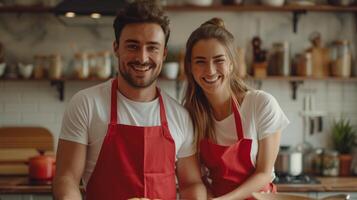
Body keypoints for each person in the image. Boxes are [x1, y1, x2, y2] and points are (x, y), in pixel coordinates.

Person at [53, 1, 206, 199]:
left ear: (164, 54)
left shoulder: (180, 116)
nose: (142, 57)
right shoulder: (86, 104)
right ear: (116, 48)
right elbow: (66, 179)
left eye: (152, 48)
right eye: (133, 46)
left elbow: (191, 184)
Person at [183, 18, 290, 200]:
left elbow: (264, 173)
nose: (210, 70)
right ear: (190, 68)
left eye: (219, 60)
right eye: (200, 62)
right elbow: (197, 179)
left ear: (231, 64)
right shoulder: (191, 115)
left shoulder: (260, 105)